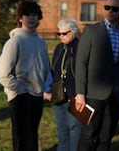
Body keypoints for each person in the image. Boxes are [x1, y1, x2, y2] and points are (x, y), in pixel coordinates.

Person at [74, 0, 119, 150]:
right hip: (91, 95)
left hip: (116, 96)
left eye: (114, 8)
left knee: (106, 138)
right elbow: (81, 63)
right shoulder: (91, 31)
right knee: (88, 136)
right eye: (107, 7)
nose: (110, 11)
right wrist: (80, 94)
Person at [0, 0, 51, 151]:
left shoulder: (41, 43)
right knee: (22, 140)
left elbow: (46, 69)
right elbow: (3, 73)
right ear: (20, 18)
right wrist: (19, 89)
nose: (32, 18)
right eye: (27, 14)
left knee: (32, 137)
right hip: (20, 96)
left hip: (37, 95)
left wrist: (46, 88)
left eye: (35, 15)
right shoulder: (14, 42)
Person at [50, 18, 82, 151]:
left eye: (64, 33)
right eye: (59, 34)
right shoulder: (58, 48)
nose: (61, 36)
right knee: (61, 129)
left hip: (75, 97)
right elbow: (53, 70)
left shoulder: (81, 48)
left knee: (75, 129)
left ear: (73, 32)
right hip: (59, 96)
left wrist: (79, 93)